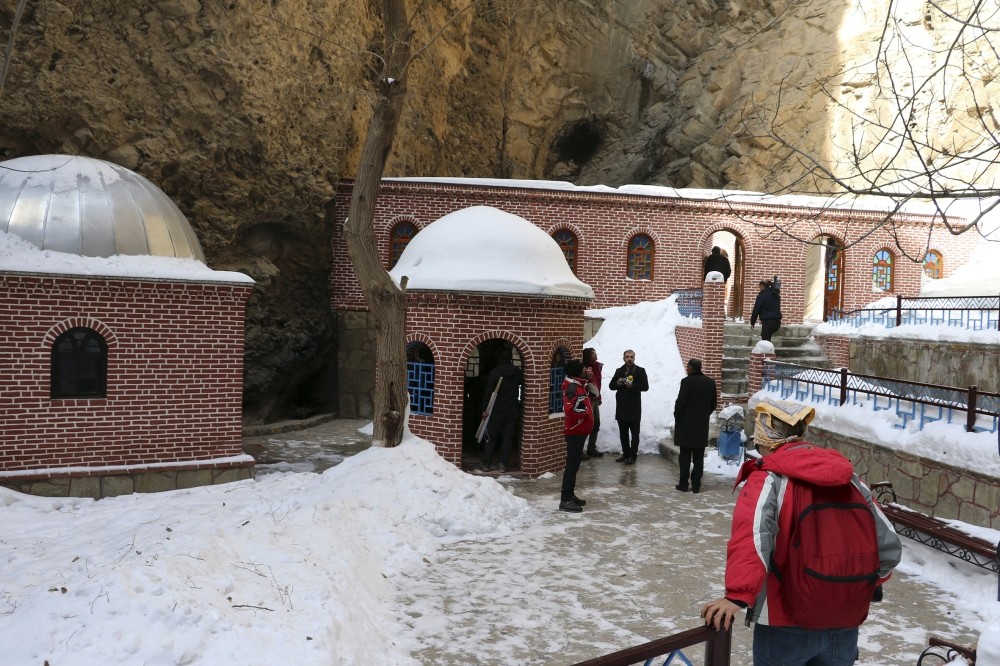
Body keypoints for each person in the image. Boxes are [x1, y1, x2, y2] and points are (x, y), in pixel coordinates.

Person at [701, 398, 902, 666]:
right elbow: (887, 543)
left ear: (767, 437)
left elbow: (752, 538)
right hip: (844, 620)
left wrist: (738, 595)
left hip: (785, 620)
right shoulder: (849, 478)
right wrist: (864, 583)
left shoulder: (768, 478)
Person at [672, 358, 717, 493]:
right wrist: (704, 415)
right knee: (698, 457)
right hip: (701, 426)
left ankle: (683, 484)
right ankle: (696, 485)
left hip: (686, 425)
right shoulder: (710, 382)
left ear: (691, 368)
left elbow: (681, 402)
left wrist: (677, 415)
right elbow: (713, 404)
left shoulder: (686, 382)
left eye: (688, 367)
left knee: (685, 456)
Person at [479, 346, 523, 473]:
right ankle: (503, 464)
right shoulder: (517, 372)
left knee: (491, 437)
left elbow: (489, 392)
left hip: (497, 409)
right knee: (508, 438)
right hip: (512, 409)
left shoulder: (495, 372)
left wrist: (484, 408)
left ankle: (486, 463)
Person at [559, 359, 593, 513]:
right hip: (575, 432)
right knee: (571, 466)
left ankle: (570, 494)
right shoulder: (572, 387)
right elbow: (570, 410)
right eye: (583, 368)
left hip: (579, 431)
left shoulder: (578, 384)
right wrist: (586, 411)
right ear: (576, 371)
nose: (585, 369)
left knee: (575, 465)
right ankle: (565, 499)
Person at [608, 349, 649, 465]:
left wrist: (633, 386)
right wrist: (618, 383)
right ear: (624, 358)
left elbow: (645, 387)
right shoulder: (619, 371)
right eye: (627, 357)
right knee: (623, 433)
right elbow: (611, 386)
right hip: (621, 407)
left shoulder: (640, 371)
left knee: (635, 434)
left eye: (631, 357)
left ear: (634, 358)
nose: (629, 359)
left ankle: (633, 455)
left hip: (634, 407)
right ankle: (625, 453)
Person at [582, 347, 604, 459]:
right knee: (586, 423)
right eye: (592, 354)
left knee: (596, 423)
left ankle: (591, 448)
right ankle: (580, 450)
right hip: (587, 398)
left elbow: (597, 383)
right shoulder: (585, 368)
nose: (595, 355)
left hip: (595, 397)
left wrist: (598, 396)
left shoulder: (597, 366)